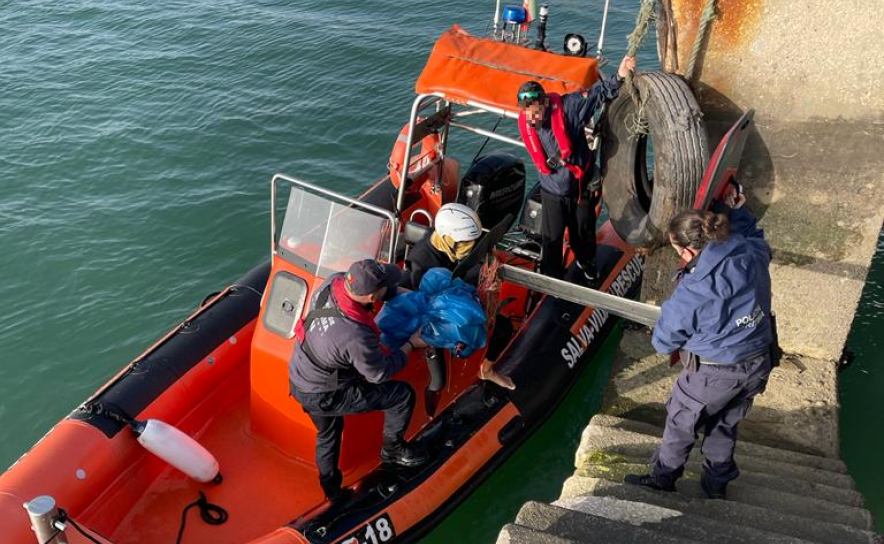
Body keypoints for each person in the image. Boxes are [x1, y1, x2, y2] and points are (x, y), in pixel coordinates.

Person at [624, 185, 773, 499]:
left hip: (714, 373)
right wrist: (736, 210)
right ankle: (716, 486)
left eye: (679, 252)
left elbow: (664, 342)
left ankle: (663, 480)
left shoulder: (695, 289)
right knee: (725, 424)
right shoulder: (750, 250)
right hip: (759, 360)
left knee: (681, 422)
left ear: (689, 252)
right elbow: (753, 233)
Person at [289, 259, 428, 503]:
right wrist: (410, 345)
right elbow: (379, 373)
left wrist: (416, 297)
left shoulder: (334, 283)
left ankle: (331, 491)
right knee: (401, 395)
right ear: (373, 296)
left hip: (300, 376)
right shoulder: (354, 335)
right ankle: (392, 449)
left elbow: (379, 293)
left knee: (328, 433)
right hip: (325, 393)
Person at [517, 55, 636, 282]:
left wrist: (620, 75)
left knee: (583, 231)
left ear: (544, 103)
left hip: (580, 186)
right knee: (551, 237)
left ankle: (586, 262)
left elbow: (598, 94)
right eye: (527, 112)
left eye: (535, 110)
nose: (532, 117)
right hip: (552, 189)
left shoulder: (570, 107)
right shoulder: (527, 122)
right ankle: (552, 277)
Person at [403, 203, 516, 394]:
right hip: (432, 314)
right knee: (438, 381)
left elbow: (468, 266)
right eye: (467, 243)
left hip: (452, 294)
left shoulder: (444, 241)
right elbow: (434, 307)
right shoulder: (421, 265)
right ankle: (434, 392)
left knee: (502, 326)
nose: (471, 247)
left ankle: (486, 369)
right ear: (448, 239)